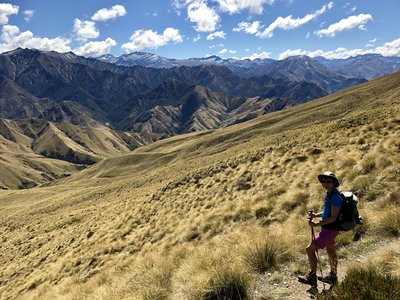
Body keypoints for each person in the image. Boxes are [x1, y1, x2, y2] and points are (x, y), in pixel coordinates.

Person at [298, 171, 343, 291]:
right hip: (331, 229)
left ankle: (312, 277)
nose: (326, 183)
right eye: (324, 181)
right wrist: (315, 215)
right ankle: (333, 276)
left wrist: (317, 223)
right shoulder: (330, 194)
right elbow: (327, 212)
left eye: (329, 181)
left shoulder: (336, 197)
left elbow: (333, 217)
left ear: (334, 182)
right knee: (331, 250)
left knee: (310, 249)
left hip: (330, 229)